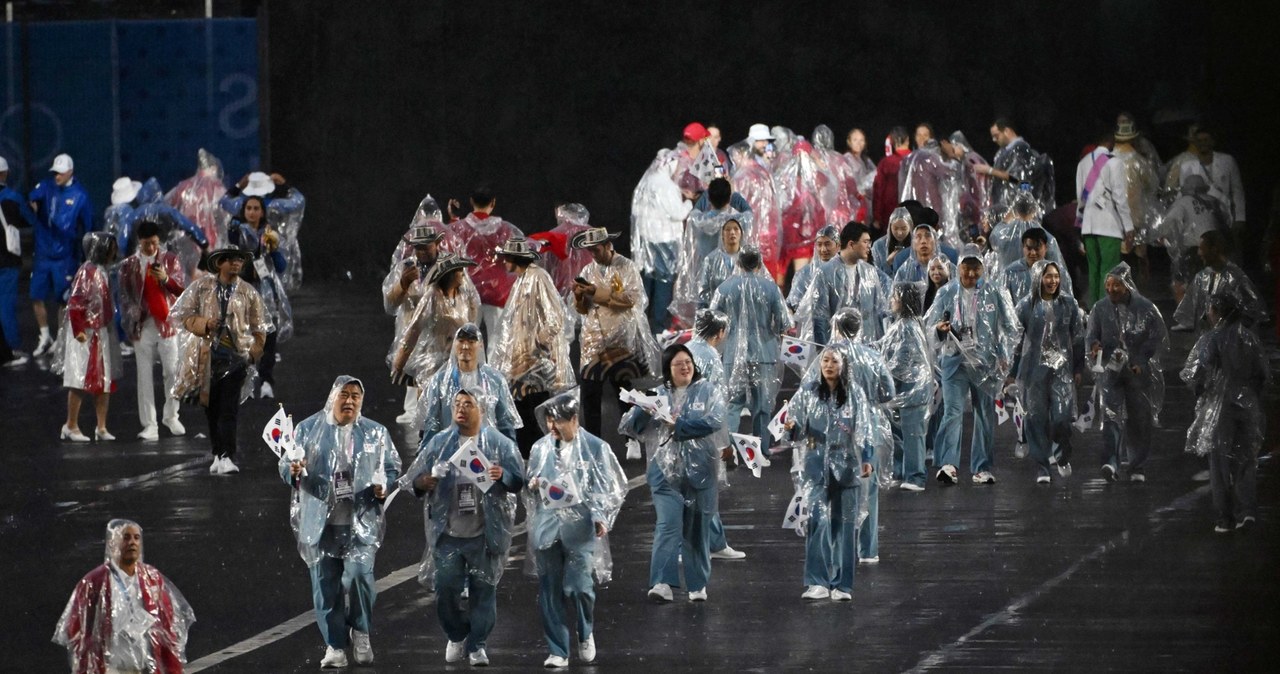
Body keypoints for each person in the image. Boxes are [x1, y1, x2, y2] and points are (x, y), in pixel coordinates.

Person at [401, 388, 526, 666]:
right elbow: (413, 481)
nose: (460, 408)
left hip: (484, 533)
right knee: (445, 590)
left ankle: (477, 644)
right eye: (456, 403)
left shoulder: (499, 444)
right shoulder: (438, 443)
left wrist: (503, 474)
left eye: (468, 404)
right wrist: (426, 481)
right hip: (448, 534)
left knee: (484, 590)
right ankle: (456, 634)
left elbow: (519, 480)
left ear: (481, 408)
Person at [281, 376, 400, 667]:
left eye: (355, 396)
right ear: (332, 397)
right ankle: (334, 645)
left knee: (360, 577)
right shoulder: (308, 429)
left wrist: (384, 485)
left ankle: (360, 630)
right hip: (321, 524)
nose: (349, 401)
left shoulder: (376, 432)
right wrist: (294, 470)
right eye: (344, 395)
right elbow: (287, 464)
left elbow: (391, 467)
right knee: (326, 587)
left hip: (360, 522)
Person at [524, 393, 627, 668]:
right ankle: (558, 649)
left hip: (580, 528)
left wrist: (600, 516)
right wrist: (532, 484)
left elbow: (606, 487)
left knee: (580, 588)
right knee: (549, 591)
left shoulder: (596, 448)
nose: (552, 427)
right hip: (547, 528)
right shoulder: (540, 448)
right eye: (548, 421)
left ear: (574, 419)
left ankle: (585, 631)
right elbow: (529, 482)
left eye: (557, 420)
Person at [621, 344, 726, 603]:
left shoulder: (708, 391)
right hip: (664, 472)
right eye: (678, 363)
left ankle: (697, 584)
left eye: (688, 362)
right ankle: (661, 582)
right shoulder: (656, 394)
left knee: (697, 528)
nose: (685, 366)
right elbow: (630, 427)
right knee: (668, 524)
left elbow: (715, 421)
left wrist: (678, 425)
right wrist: (641, 411)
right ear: (668, 369)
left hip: (701, 470)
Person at [925, 246, 1019, 485]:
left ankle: (982, 467)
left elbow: (1011, 328)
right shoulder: (946, 292)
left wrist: (1004, 355)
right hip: (954, 361)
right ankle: (948, 464)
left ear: (982, 268)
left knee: (984, 414)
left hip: (984, 364)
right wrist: (939, 329)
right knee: (952, 412)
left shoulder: (995, 292)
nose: (970, 274)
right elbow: (929, 326)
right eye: (966, 268)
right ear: (959, 268)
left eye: (975, 268)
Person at [170, 247, 268, 474]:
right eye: (231, 260)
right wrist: (204, 324)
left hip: (236, 360)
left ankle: (227, 455)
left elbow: (260, 326)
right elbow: (184, 316)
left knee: (228, 409)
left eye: (239, 260)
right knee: (212, 409)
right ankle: (217, 454)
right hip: (208, 359)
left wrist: (252, 353)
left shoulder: (248, 292)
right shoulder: (202, 287)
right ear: (220, 263)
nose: (236, 264)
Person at [807, 308, 894, 563]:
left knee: (833, 491)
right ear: (859, 328)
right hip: (870, 430)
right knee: (869, 491)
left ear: (835, 327)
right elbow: (888, 392)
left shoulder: (826, 358)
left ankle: (837, 548)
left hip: (834, 431)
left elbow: (810, 392)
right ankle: (868, 550)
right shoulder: (872, 356)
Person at [54, 519, 195, 673]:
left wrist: (173, 669)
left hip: (145, 669)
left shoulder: (152, 579)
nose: (132, 542)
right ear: (112, 543)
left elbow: (167, 630)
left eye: (136, 537)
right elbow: (75, 631)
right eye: (126, 537)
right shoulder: (94, 582)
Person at [787, 348, 873, 601]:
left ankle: (843, 585)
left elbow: (865, 427)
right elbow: (794, 429)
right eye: (825, 360)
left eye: (834, 361)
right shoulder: (808, 392)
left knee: (846, 526)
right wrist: (791, 429)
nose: (828, 365)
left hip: (847, 467)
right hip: (815, 467)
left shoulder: (855, 393)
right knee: (818, 522)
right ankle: (817, 581)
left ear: (843, 365)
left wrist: (867, 458)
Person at [1181, 291, 1268, 533]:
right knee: (1245, 458)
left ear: (1217, 312)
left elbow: (1196, 373)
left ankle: (1225, 517)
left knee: (1220, 464)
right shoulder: (1250, 339)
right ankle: (1247, 511)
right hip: (1247, 405)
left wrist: (1202, 393)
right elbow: (1262, 374)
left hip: (1220, 409)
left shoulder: (1212, 339)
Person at [571, 227, 660, 439]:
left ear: (607, 246)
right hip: (594, 340)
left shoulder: (626, 267)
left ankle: (633, 438)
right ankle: (593, 440)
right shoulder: (587, 271)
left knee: (626, 393)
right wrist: (579, 297)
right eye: (590, 251)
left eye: (596, 250)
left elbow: (631, 299)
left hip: (620, 340)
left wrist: (596, 293)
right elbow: (582, 310)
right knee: (590, 393)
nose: (593, 254)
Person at [1086, 262, 1168, 482]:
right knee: (1111, 416)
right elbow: (1091, 335)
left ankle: (1137, 466)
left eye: (1116, 285)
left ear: (1127, 286)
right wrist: (1095, 347)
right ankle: (1110, 462)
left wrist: (1141, 360)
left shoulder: (1146, 308)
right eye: (1108, 285)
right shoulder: (1100, 308)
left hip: (1136, 373)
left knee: (1139, 419)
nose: (1111, 290)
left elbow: (1156, 337)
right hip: (1111, 372)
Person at [491, 236, 573, 451]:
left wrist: (538, 345)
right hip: (521, 361)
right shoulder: (522, 279)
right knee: (522, 412)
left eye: (506, 257)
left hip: (533, 361)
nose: (503, 261)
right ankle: (530, 456)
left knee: (533, 411)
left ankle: (546, 454)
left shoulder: (537, 277)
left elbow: (555, 316)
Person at [709, 248, 792, 442]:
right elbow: (784, 322)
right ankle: (761, 450)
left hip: (733, 352)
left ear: (738, 263)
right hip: (764, 353)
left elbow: (712, 318)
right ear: (759, 264)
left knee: (733, 403)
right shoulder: (770, 288)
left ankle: (728, 450)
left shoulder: (725, 288)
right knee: (762, 405)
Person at [1013, 261, 1085, 483]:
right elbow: (1015, 341)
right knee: (1036, 417)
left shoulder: (1069, 304)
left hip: (1062, 370)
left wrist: (1079, 368)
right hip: (1034, 370)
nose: (1052, 280)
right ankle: (1042, 465)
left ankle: (1062, 455)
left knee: (1063, 417)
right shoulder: (1025, 306)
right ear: (1038, 279)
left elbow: (1078, 337)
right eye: (1047, 276)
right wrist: (1012, 372)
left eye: (1055, 276)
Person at [684, 309, 746, 560]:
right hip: (702, 434)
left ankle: (716, 542)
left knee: (698, 491)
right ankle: (690, 546)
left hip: (682, 428)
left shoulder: (685, 349)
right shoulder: (710, 356)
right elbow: (717, 402)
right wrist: (724, 442)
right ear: (719, 333)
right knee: (699, 492)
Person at [120, 220, 189, 440]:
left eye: (154, 243)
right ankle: (149, 424)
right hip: (143, 325)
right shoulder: (129, 265)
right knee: (144, 375)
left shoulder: (170, 260)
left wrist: (166, 279)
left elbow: (181, 290)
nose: (151, 247)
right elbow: (124, 296)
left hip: (167, 323)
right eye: (146, 243)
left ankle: (171, 415)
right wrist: (131, 318)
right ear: (139, 242)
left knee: (171, 371)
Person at [631, 127, 701, 330]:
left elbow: (637, 207)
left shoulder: (647, 181)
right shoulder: (667, 186)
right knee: (664, 282)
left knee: (648, 280)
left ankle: (641, 322)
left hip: (647, 239)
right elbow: (678, 213)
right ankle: (660, 325)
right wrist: (688, 201)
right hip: (664, 240)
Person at [1081, 119, 1157, 306]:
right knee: (1119, 268)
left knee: (1101, 269)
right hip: (1121, 223)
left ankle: (1099, 308)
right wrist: (1130, 225)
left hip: (1097, 223)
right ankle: (1116, 308)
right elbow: (1140, 191)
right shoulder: (1128, 162)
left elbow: (1084, 194)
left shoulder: (1091, 162)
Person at [29, 153, 95, 357]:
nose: (56, 176)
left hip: (64, 257)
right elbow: (32, 197)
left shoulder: (80, 196)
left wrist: (86, 255)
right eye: (55, 172)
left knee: (62, 300)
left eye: (60, 173)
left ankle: (60, 338)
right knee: (35, 296)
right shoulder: (47, 186)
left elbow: (88, 226)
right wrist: (35, 206)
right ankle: (44, 335)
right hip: (42, 254)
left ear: (70, 172)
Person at [416, 323, 520, 447]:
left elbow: (505, 422)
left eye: (471, 342)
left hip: (486, 450)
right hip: (450, 449)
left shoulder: (495, 380)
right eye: (461, 341)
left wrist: (511, 451)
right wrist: (426, 454)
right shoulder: (440, 381)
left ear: (480, 344)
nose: (465, 346)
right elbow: (432, 422)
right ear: (455, 344)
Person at [60, 232, 121, 443]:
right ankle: (70, 425)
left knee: (104, 381)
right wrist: (78, 330)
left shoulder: (102, 271)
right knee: (78, 378)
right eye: (111, 247)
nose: (114, 251)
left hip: (100, 331)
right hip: (85, 333)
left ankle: (101, 427)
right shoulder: (87, 272)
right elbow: (76, 303)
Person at [383, 221, 444, 424]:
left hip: (441, 340)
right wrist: (403, 284)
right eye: (417, 248)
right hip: (414, 339)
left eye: (426, 247)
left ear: (437, 244)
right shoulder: (406, 267)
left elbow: (467, 303)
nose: (422, 252)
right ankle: (419, 422)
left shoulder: (449, 267)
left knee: (440, 394)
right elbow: (390, 305)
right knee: (417, 385)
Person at [392, 252, 482, 390]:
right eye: (459, 270)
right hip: (433, 362)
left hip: (458, 360)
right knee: (429, 402)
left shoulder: (463, 296)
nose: (463, 273)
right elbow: (414, 329)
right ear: (449, 275)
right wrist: (400, 361)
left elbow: (472, 325)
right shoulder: (432, 296)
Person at [442, 186, 522, 340]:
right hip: (498, 292)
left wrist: (453, 219)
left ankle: (469, 365)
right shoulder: (505, 229)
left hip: (468, 290)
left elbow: (450, 248)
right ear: (493, 202)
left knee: (466, 338)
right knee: (498, 342)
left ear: (471, 201)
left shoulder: (459, 228)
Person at [879, 282, 935, 491]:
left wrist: (883, 372)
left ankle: (916, 477)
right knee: (900, 435)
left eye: (895, 297)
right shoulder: (900, 324)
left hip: (912, 391)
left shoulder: (909, 326)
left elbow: (902, 360)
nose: (892, 301)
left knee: (913, 436)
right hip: (903, 390)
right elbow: (884, 345)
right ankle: (901, 471)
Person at [807, 222, 889, 345]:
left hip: (867, 347)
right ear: (851, 244)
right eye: (865, 242)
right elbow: (820, 317)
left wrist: (880, 347)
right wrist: (823, 350)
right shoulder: (825, 273)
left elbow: (877, 312)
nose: (869, 247)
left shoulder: (870, 271)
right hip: (838, 349)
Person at [1171, 230, 1266, 334]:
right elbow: (1192, 312)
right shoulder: (1202, 277)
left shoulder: (1235, 277)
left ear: (1214, 250)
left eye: (1202, 248)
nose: (1199, 253)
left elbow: (1253, 312)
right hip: (1209, 340)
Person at [1176, 127, 1246, 258]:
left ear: (1213, 142)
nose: (1202, 143)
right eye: (1199, 140)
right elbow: (1184, 195)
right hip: (1202, 220)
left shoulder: (1227, 161)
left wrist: (1240, 218)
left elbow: (1237, 190)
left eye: (1206, 139)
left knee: (1229, 256)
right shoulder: (1187, 166)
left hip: (1226, 217)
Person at [1160, 174, 1229, 301]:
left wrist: (1163, 237)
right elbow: (1227, 221)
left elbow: (1169, 222)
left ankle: (1185, 317)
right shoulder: (1215, 201)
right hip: (1219, 250)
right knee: (1214, 286)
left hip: (1195, 249)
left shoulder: (1184, 201)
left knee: (1180, 283)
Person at [730, 128, 784, 281]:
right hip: (771, 234)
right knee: (769, 279)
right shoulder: (764, 171)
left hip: (753, 234)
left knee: (751, 280)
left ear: (741, 154)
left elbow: (737, 209)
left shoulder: (742, 176)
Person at [0, 155, 37, 367]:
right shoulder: (12, 197)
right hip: (6, 259)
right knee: (5, 305)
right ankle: (10, 348)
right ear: (5, 174)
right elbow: (29, 221)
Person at [980, 118, 1055, 216]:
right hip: (1007, 211)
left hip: (1018, 211)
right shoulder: (1004, 153)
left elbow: (1020, 181)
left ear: (1006, 131)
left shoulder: (1020, 150)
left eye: (996, 136)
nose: (994, 140)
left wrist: (990, 171)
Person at [164, 148, 230, 250]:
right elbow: (227, 217)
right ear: (214, 168)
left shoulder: (182, 186)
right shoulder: (219, 188)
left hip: (186, 242)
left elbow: (168, 209)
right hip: (212, 243)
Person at [1001, 227, 1074, 304]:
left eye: (1037, 249)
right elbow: (1005, 305)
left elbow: (1068, 304)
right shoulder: (1010, 273)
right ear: (1023, 247)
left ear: (1046, 248)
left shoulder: (1059, 273)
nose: (1033, 253)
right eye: (1029, 248)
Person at [693, 217, 744, 310]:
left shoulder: (748, 258)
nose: (732, 232)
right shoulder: (711, 259)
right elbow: (703, 293)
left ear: (741, 232)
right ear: (722, 234)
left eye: (736, 229)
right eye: (728, 229)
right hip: (718, 315)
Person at [787, 225, 839, 311]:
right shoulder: (805, 273)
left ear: (838, 246)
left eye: (828, 244)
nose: (823, 249)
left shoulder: (846, 271)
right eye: (819, 244)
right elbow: (792, 303)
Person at [873, 127, 911, 232]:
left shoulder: (886, 163)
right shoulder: (916, 160)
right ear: (907, 139)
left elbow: (878, 190)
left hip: (891, 213)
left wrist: (877, 217)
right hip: (914, 212)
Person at [842, 128, 877, 224]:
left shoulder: (864, 160)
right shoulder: (847, 159)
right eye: (855, 140)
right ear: (849, 142)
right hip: (853, 205)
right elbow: (847, 184)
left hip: (864, 204)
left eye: (861, 140)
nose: (859, 143)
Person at [872, 209, 912, 276]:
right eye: (895, 228)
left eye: (904, 229)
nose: (899, 233)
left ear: (910, 226)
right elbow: (875, 275)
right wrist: (887, 263)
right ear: (890, 227)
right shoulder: (879, 245)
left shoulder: (916, 244)